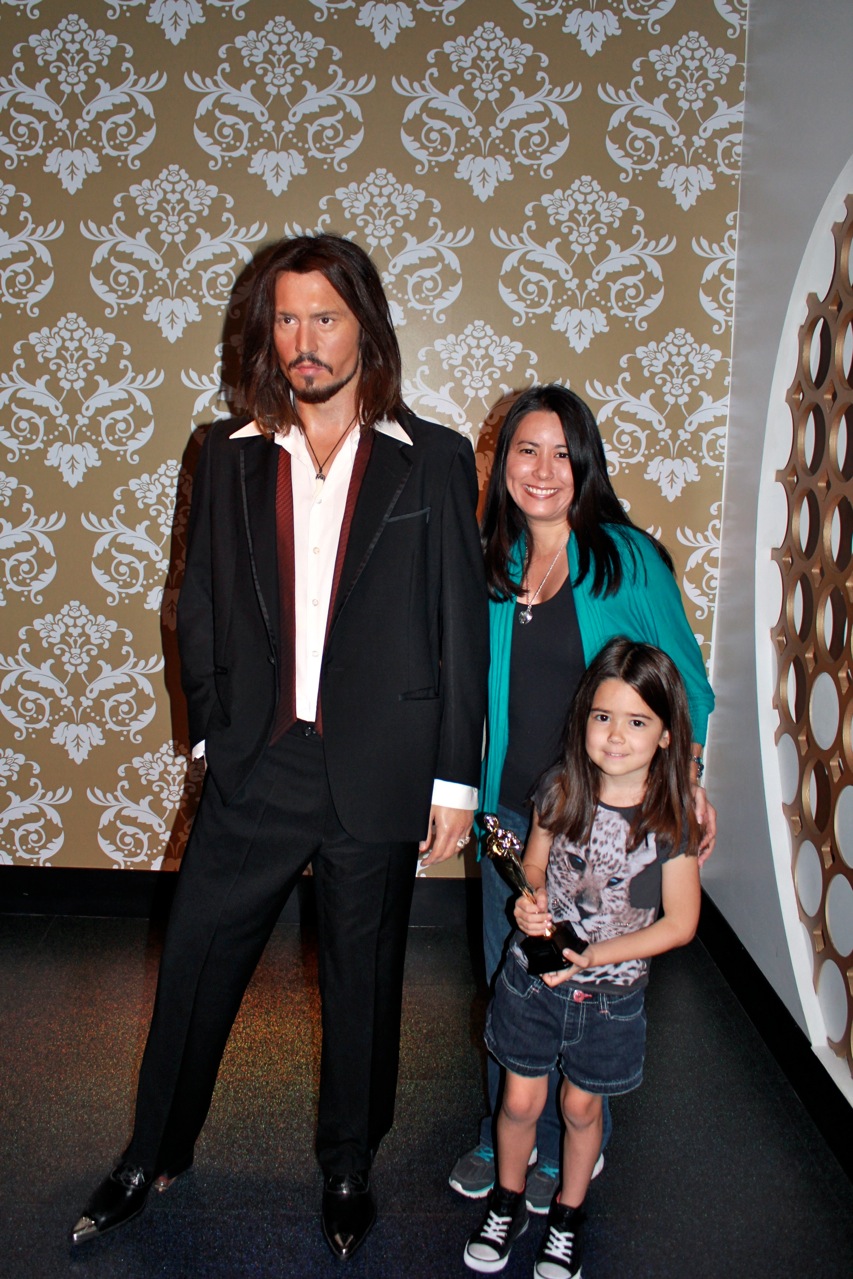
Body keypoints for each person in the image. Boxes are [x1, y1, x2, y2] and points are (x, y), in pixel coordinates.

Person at [71, 233, 489, 1260]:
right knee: (196, 959)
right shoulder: (226, 452)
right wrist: (215, 731)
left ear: (364, 328)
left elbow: (456, 622)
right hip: (261, 758)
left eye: (324, 318)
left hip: (381, 764)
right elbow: (199, 599)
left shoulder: (433, 456)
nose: (304, 340)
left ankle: (348, 1166)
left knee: (362, 979)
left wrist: (454, 777)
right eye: (287, 319)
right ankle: (152, 1152)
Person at [450, 384, 715, 1213]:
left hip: (605, 825)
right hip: (512, 815)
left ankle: (577, 1135)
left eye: (562, 452)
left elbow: (686, 683)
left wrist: (688, 785)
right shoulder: (494, 564)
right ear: (502, 465)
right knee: (515, 977)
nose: (543, 469)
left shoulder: (624, 559)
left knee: (596, 985)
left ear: (586, 465)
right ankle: (506, 1131)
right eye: (526, 450)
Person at [464, 638, 702, 1277]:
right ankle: (507, 1201)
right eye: (603, 716)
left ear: (667, 735)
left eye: (637, 722)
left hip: (610, 1000)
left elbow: (681, 924)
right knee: (519, 1102)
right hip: (534, 983)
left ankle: (567, 1214)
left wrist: (595, 955)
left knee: (580, 1108)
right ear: (583, 719)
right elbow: (534, 867)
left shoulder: (670, 820)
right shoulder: (560, 789)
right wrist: (529, 902)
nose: (616, 736)